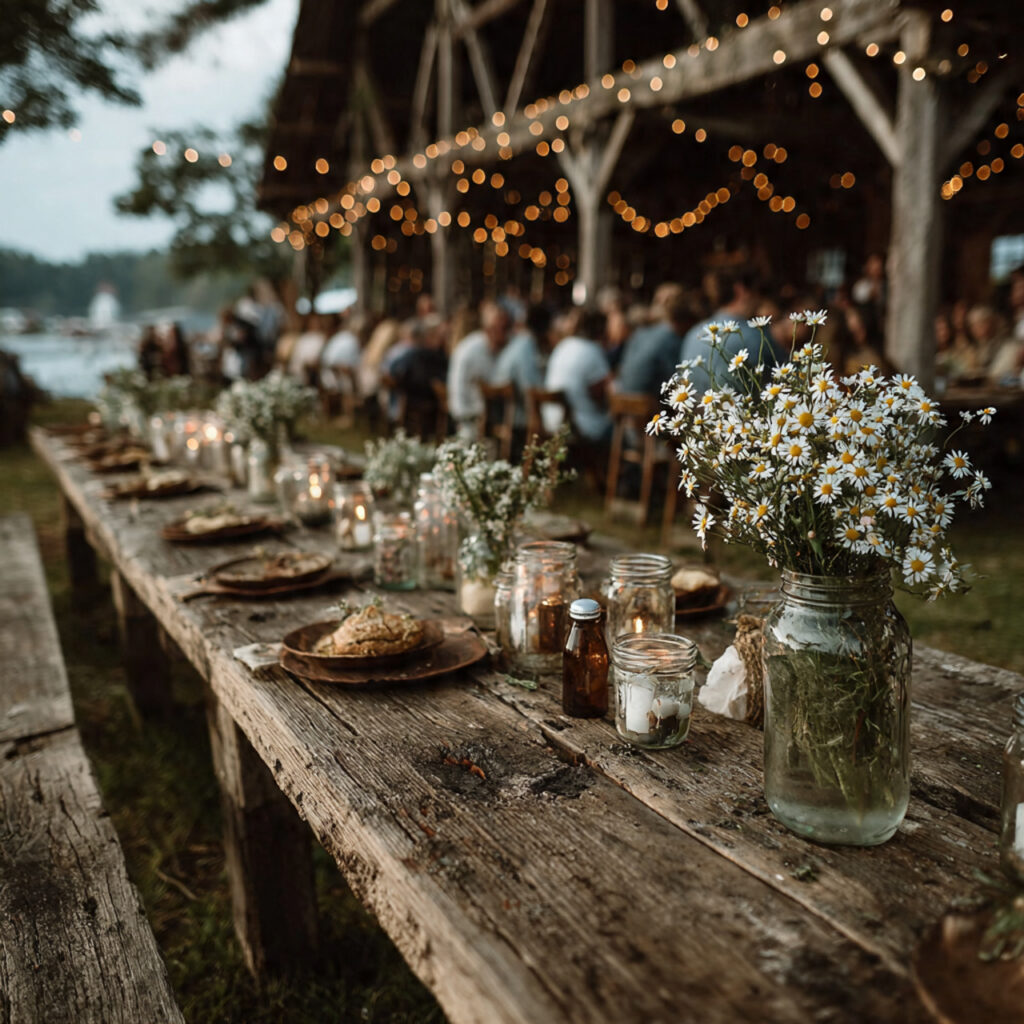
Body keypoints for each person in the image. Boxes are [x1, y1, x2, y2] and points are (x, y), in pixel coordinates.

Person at [679, 268, 769, 392]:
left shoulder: (693, 334)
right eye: (758, 292)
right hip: (734, 403)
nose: (759, 300)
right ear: (740, 290)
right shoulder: (753, 337)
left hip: (698, 403)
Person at [543, 308, 612, 443]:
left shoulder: (562, 346)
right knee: (620, 431)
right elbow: (601, 396)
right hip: (578, 428)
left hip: (550, 422)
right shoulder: (592, 350)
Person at [446, 300, 511, 438]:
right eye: (503, 328)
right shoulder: (476, 349)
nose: (507, 334)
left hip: (470, 413)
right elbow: (495, 384)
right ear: (490, 329)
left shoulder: (479, 344)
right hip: (469, 417)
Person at [615, 282, 688, 397]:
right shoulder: (669, 334)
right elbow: (678, 377)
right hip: (653, 402)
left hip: (625, 398)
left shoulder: (639, 333)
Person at [490, 303, 550, 424]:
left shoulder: (516, 342)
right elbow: (531, 387)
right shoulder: (526, 346)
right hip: (513, 420)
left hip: (500, 413)